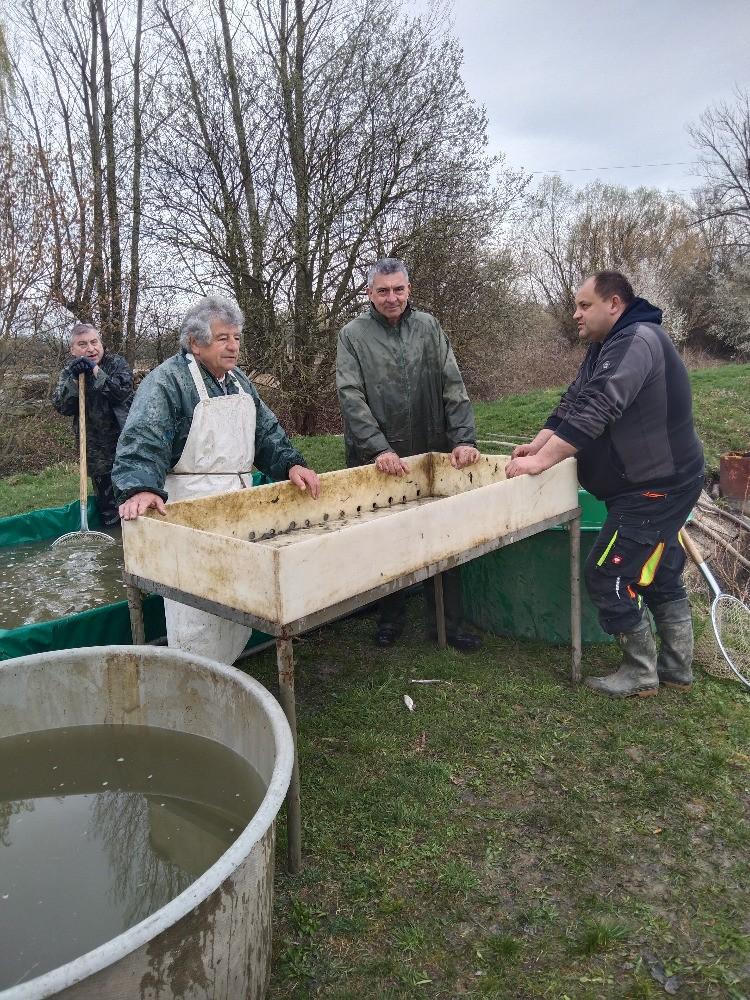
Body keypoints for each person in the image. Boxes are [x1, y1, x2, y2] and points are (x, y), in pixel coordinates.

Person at [505, 271, 704, 697]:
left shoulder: (637, 341)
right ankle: (676, 669)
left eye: (584, 305)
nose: (575, 314)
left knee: (606, 575)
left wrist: (544, 460)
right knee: (662, 570)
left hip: (655, 487)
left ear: (614, 304)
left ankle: (640, 673)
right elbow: (573, 400)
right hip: (649, 483)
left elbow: (599, 406)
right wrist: (535, 446)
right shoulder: (605, 346)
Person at [112, 294, 320, 664]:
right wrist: (141, 486)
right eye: (223, 338)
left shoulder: (240, 383)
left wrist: (291, 465)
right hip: (191, 507)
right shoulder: (167, 382)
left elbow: (266, 434)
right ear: (196, 342)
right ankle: (194, 670)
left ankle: (231, 665)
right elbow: (144, 436)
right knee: (197, 598)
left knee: (238, 591)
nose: (234, 346)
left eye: (237, 337)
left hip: (239, 503)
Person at [336, 257, 482, 652]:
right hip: (378, 456)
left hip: (430, 446)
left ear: (408, 289)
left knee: (446, 534)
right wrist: (377, 448)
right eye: (383, 290)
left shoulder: (429, 327)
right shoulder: (353, 335)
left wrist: (463, 438)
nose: (392, 297)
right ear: (369, 293)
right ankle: (390, 616)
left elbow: (453, 384)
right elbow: (350, 396)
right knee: (386, 538)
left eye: (398, 289)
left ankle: (448, 622)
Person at [52, 323, 134, 526]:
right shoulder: (69, 372)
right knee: (109, 509)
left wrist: (95, 371)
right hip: (96, 449)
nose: (90, 349)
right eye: (82, 344)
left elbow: (120, 393)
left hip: (126, 443)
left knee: (133, 499)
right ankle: (114, 547)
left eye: (94, 342)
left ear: (101, 343)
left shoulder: (116, 364)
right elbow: (62, 406)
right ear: (73, 350)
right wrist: (73, 381)